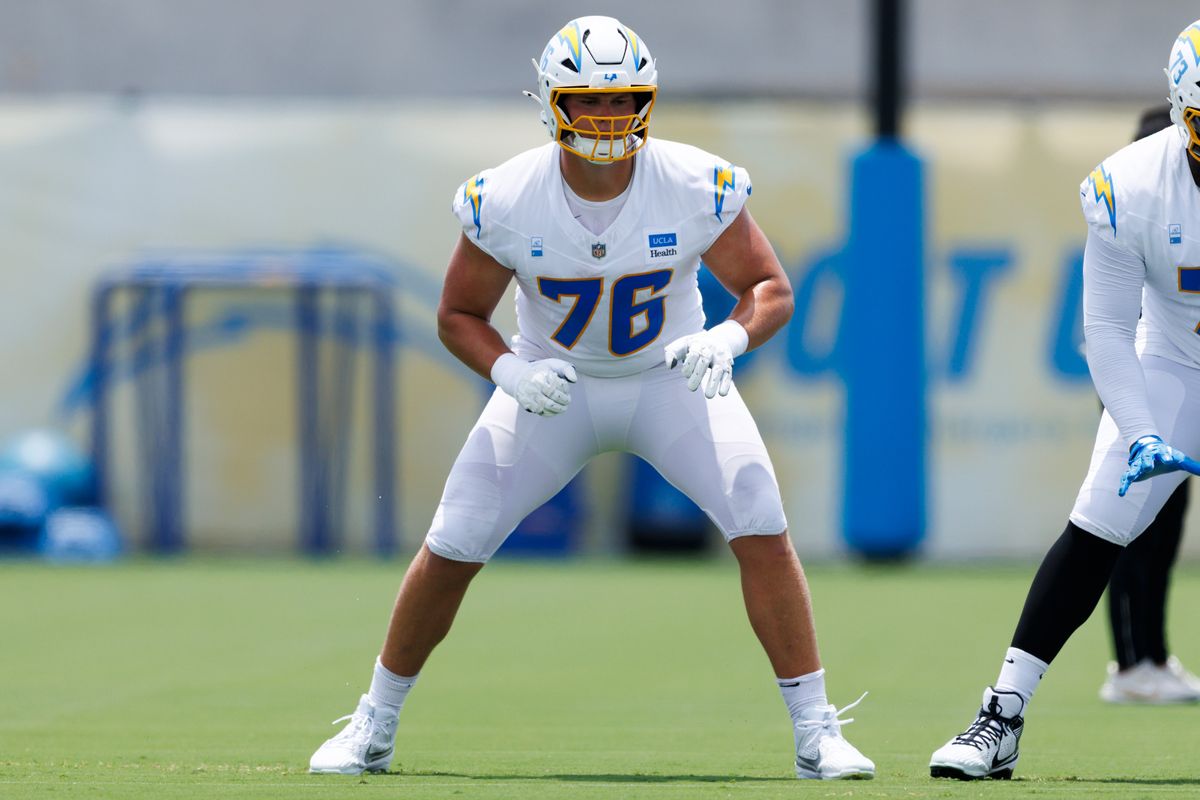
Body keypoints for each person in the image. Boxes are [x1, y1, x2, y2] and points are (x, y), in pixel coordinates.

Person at [309, 15, 874, 781]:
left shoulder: (693, 182)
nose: (609, 118)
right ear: (552, 103)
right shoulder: (506, 196)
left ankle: (817, 732)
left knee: (759, 516)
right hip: (554, 389)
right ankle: (372, 725)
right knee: (453, 541)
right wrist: (510, 373)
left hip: (668, 381)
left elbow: (769, 289)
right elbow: (456, 315)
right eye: (591, 101)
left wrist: (727, 339)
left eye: (623, 101)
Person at [929, 21, 1200, 780]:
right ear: (1183, 114)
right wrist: (1140, 430)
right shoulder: (1132, 186)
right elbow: (1109, 328)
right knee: (1100, 519)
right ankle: (1002, 716)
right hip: (1177, 362)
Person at [1096, 104, 1200, 705]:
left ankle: (1152, 656)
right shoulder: (1136, 205)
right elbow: (1113, 322)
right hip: (1138, 379)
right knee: (1124, 522)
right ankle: (1131, 663)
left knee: (1164, 523)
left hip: (1173, 379)